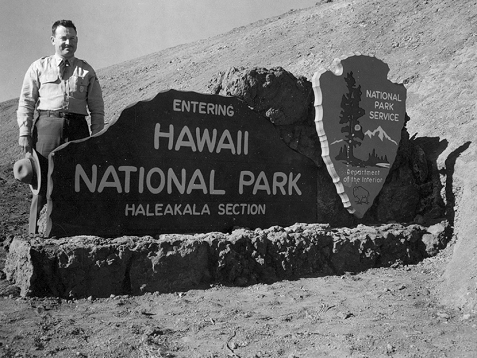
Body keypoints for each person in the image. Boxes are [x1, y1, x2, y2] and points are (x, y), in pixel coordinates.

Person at [17, 19, 105, 234]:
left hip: (77, 129)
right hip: (47, 127)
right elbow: (27, 102)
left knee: (76, 183)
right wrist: (25, 133)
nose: (68, 42)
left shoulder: (86, 71)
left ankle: (72, 233)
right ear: (53, 39)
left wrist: (98, 137)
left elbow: (97, 108)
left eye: (72, 38)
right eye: (64, 38)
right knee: (42, 183)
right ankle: (34, 234)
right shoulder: (39, 67)